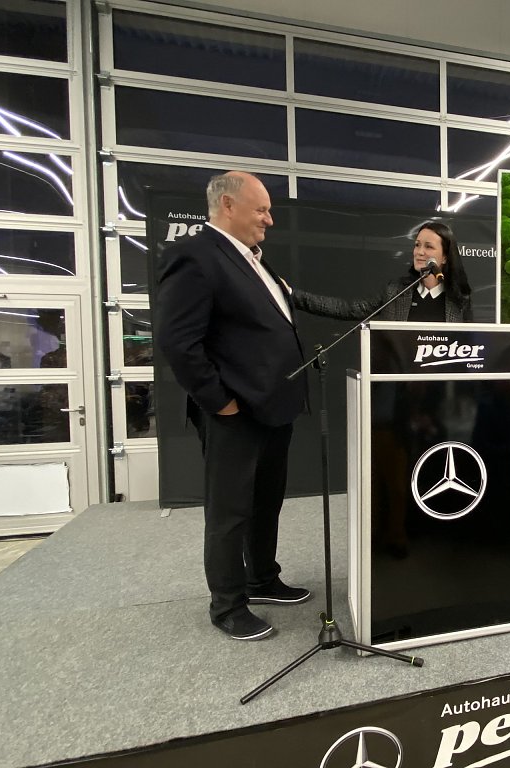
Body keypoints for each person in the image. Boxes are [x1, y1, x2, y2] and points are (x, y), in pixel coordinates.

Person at [155, 171, 311, 641]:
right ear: (227, 205)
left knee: (266, 502)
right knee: (230, 512)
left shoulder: (254, 261)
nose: (269, 219)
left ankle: (262, 578)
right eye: (261, 209)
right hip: (234, 413)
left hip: (273, 408)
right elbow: (178, 342)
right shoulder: (196, 256)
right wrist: (219, 402)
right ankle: (227, 605)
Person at [289, 220, 474, 323]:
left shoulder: (459, 299)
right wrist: (291, 295)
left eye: (428, 246)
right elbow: (348, 309)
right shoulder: (395, 291)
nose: (419, 252)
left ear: (445, 257)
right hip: (397, 380)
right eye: (417, 245)